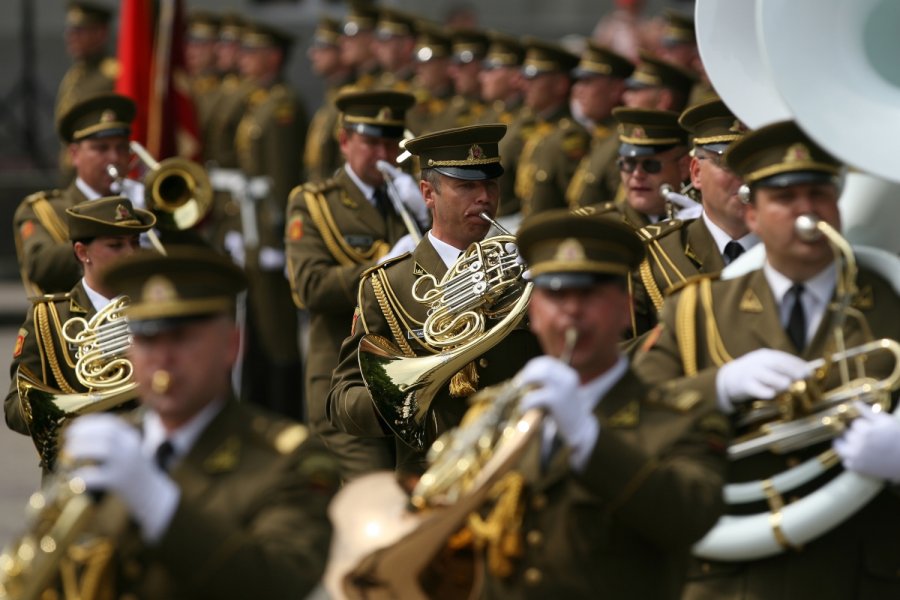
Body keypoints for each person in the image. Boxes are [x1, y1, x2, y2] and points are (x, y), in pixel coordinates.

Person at [632, 121, 900, 599]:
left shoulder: (891, 300)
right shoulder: (697, 308)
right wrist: (718, 386)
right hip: (735, 580)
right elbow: (631, 417)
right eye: (785, 197)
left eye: (818, 194)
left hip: (860, 574)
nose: (806, 211)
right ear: (752, 214)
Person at [54, 247, 338, 599]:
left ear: (232, 345)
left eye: (181, 338)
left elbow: (283, 581)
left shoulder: (291, 461)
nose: (163, 358)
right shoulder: (113, 447)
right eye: (148, 339)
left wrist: (157, 502)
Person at [474, 209, 728, 598]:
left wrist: (588, 437)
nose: (573, 311)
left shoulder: (679, 416)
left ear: (625, 308)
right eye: (557, 294)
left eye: (590, 293)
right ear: (535, 313)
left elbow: (691, 515)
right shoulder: (493, 415)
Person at [327, 124, 542, 474]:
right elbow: (342, 400)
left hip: (518, 464)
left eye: (490, 184)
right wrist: (398, 402)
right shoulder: (387, 286)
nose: (484, 197)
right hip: (431, 472)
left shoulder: (526, 271)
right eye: (466, 186)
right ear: (428, 193)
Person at [286, 89, 421, 480]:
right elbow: (310, 287)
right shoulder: (314, 203)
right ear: (345, 142)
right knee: (373, 492)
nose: (382, 153)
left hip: (407, 380)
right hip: (346, 382)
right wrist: (378, 266)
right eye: (371, 141)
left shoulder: (406, 197)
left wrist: (430, 219)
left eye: (391, 142)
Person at [5, 196, 155, 470]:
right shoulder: (48, 317)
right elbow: (15, 406)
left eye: (135, 243)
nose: (131, 254)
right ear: (82, 252)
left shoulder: (157, 308)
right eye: (115, 246)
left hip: (149, 460)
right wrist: (65, 414)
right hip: (79, 467)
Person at [629, 99, 758, 337]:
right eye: (729, 163)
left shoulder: (793, 249)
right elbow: (617, 355)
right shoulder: (651, 256)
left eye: (755, 163)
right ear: (696, 173)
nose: (744, 177)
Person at [235, 20, 307, 417]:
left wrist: (277, 234)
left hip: (268, 231)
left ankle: (284, 411)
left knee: (278, 330)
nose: (244, 58)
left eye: (252, 51)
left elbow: (280, 177)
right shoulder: (259, 99)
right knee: (260, 324)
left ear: (273, 58)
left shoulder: (282, 104)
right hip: (253, 228)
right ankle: (260, 406)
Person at [14, 93, 142, 296]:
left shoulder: (143, 202)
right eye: (101, 148)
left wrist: (156, 220)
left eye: (121, 148)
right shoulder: (45, 209)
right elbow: (39, 266)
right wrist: (105, 235)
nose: (114, 158)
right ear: (74, 154)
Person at [581, 107, 690, 231]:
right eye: (628, 164)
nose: (637, 174)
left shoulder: (701, 224)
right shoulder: (598, 226)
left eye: (651, 165)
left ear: (683, 167)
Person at [512, 39, 582, 218]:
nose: (523, 84)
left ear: (560, 84)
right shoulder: (541, 129)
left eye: (533, 77)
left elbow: (573, 205)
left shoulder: (570, 137)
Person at [56, 1, 118, 182]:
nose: (71, 37)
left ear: (100, 34)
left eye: (79, 31)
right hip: (72, 173)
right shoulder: (74, 75)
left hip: (101, 176)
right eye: (70, 30)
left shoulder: (113, 75)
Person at [303, 16, 355, 182]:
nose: (312, 53)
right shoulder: (332, 96)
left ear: (342, 50)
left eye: (322, 46)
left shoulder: (350, 97)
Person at [372, 7, 418, 92]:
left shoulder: (421, 87)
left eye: (384, 41)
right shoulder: (378, 83)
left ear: (407, 46)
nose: (375, 47)